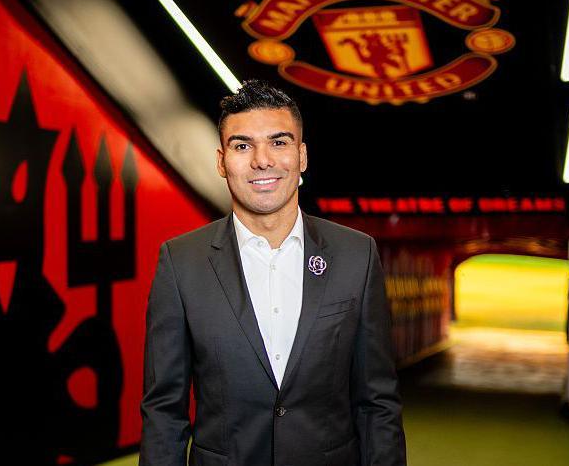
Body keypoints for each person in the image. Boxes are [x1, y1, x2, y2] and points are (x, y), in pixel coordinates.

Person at [139, 79, 406, 466]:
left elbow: (377, 402)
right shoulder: (181, 262)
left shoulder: (356, 255)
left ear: (302, 156)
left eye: (279, 142)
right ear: (220, 161)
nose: (262, 160)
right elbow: (164, 409)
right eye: (242, 145)